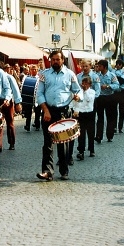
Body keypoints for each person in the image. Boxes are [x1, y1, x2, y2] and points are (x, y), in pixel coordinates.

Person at [36, 50, 81, 181]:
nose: (55, 61)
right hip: (48, 111)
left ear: (62, 60)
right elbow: (39, 94)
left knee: (63, 143)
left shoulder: (70, 74)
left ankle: (64, 170)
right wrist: (45, 110)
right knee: (48, 143)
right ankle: (47, 171)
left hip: (63, 112)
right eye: (53, 59)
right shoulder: (44, 75)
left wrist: (78, 96)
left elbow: (77, 90)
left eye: (57, 59)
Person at [70, 76, 96, 160]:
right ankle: (81, 151)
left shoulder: (92, 91)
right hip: (81, 114)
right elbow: (76, 102)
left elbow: (89, 99)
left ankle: (91, 149)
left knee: (91, 132)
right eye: (83, 83)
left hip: (89, 113)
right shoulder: (79, 92)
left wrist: (85, 91)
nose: (84, 85)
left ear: (89, 84)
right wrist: (75, 111)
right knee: (81, 134)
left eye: (86, 83)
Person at [95, 60, 120, 142]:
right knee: (100, 117)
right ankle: (99, 136)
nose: (98, 68)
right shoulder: (97, 75)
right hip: (100, 97)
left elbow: (117, 85)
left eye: (100, 66)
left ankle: (110, 135)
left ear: (105, 67)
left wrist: (108, 86)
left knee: (110, 117)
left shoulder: (112, 75)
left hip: (110, 97)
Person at [0, 61, 22, 150]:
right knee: (7, 123)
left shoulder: (9, 77)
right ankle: (7, 144)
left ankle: (3, 145)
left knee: (6, 123)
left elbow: (15, 90)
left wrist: (17, 103)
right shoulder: (9, 76)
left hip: (7, 102)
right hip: (2, 101)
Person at [22, 64, 41, 132]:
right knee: (28, 112)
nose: (34, 70)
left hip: (37, 98)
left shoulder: (39, 79)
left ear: (37, 70)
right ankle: (27, 125)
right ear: (30, 70)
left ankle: (37, 125)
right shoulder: (27, 78)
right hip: (29, 98)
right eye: (32, 69)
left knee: (37, 112)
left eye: (35, 69)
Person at [113, 59, 124, 133]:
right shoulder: (113, 71)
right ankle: (114, 127)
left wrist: (115, 78)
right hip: (115, 92)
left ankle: (120, 127)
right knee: (114, 111)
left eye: (119, 64)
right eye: (117, 64)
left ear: (122, 65)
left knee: (122, 111)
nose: (118, 66)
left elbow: (122, 80)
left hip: (122, 92)